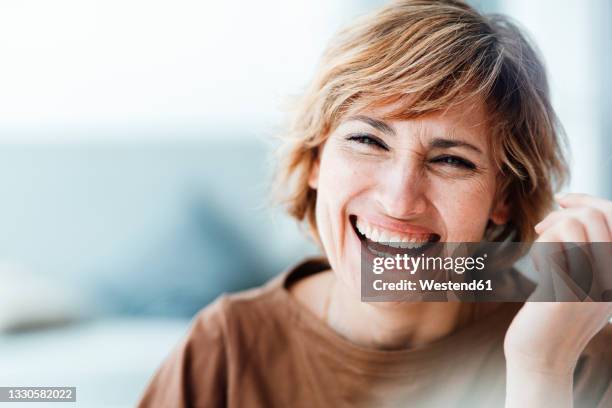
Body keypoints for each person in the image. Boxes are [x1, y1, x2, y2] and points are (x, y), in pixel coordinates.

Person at [139, 1, 612, 406]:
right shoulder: (224, 349)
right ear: (314, 162)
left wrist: (541, 369)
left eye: (450, 160)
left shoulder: (573, 350)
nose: (399, 199)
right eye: (367, 140)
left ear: (502, 200)